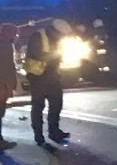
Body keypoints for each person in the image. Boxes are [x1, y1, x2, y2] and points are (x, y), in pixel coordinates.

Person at [24, 18, 72, 147]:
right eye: (60, 34)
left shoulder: (56, 39)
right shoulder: (38, 36)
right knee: (38, 107)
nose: (62, 37)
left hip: (52, 75)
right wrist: (55, 55)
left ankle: (54, 131)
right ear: (54, 30)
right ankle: (38, 135)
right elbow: (36, 54)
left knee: (56, 104)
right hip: (37, 76)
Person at [0, 23, 17, 150]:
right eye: (13, 33)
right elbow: (7, 67)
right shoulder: (4, 45)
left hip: (5, 85)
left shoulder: (8, 45)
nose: (15, 36)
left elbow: (11, 66)